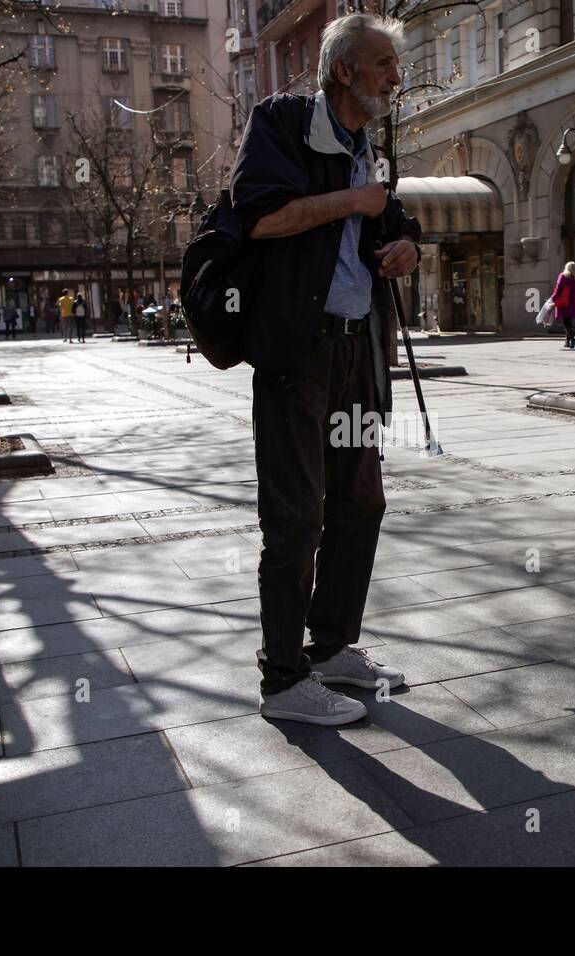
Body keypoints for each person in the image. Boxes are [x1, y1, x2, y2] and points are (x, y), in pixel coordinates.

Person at [232, 12, 421, 726]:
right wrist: (353, 200)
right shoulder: (281, 123)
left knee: (359, 502)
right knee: (295, 516)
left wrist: (406, 245)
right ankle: (283, 683)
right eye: (382, 65)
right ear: (343, 70)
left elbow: (387, 219)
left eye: (394, 67)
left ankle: (331, 646)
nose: (394, 79)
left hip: (354, 350)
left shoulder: (365, 144)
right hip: (295, 352)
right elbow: (259, 218)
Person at [551, 261, 575, 349]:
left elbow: (558, 289)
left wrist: (553, 298)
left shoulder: (563, 276)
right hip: (574, 302)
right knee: (568, 322)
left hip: (565, 302)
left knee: (566, 322)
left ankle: (572, 339)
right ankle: (567, 341)